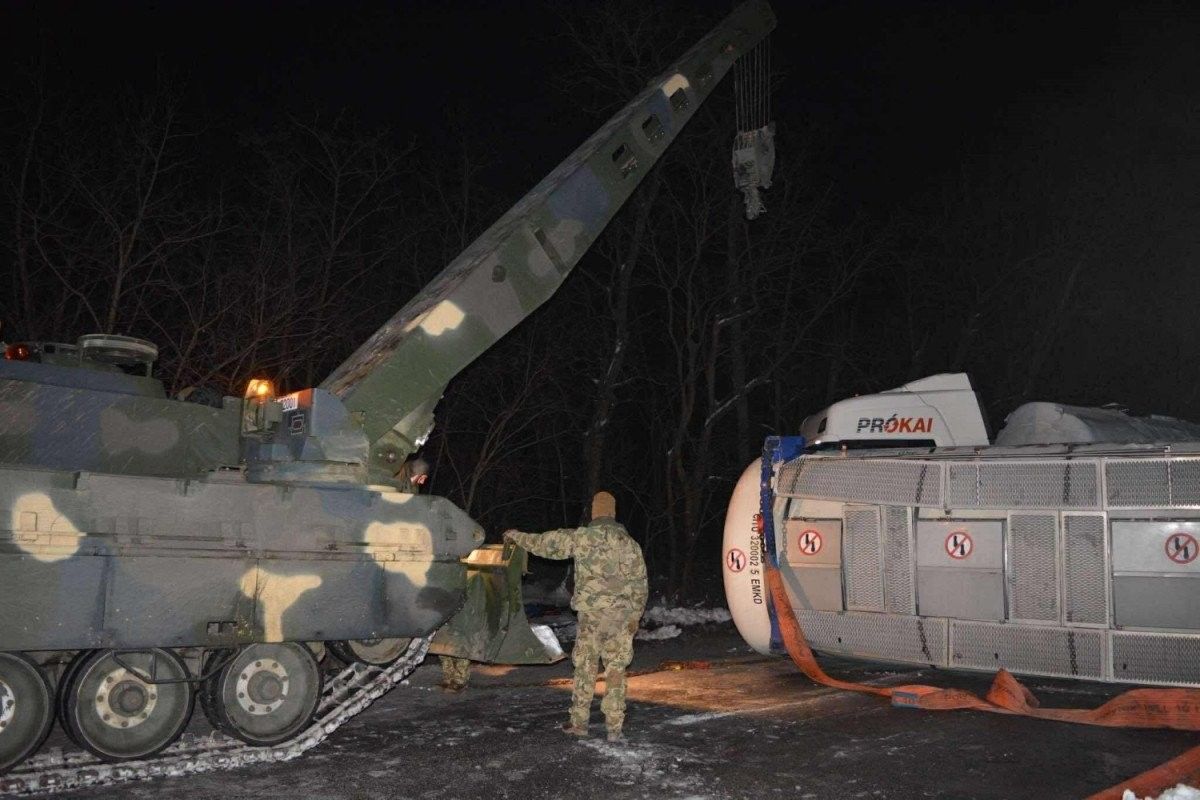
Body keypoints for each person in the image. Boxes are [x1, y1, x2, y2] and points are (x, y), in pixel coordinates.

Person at [503, 491, 647, 742]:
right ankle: (614, 728)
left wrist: (517, 537)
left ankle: (580, 723)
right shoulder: (630, 545)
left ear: (595, 512)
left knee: (585, 667)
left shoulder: (584, 537)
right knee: (616, 670)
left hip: (592, 617)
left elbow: (548, 544)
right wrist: (634, 616)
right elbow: (640, 584)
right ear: (613, 513)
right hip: (620, 618)